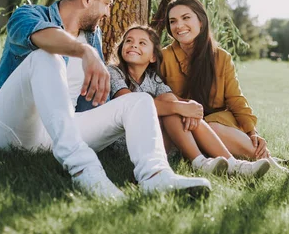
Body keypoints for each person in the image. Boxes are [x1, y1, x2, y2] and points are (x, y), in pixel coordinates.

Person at [0, 0, 211, 199]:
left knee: (139, 101)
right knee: (46, 57)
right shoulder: (28, 14)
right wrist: (86, 53)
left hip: (56, 134)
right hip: (4, 129)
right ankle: (85, 170)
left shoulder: (92, 35)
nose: (108, 12)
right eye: (106, 3)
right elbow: (43, 36)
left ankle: (155, 175)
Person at [107, 25, 271, 178]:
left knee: (170, 101)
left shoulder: (153, 79)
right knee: (172, 107)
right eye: (129, 41)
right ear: (121, 49)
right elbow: (130, 103)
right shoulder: (114, 72)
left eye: (142, 43)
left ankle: (232, 163)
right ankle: (200, 161)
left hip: (157, 142)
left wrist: (190, 107)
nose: (134, 45)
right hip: (129, 143)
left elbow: (174, 100)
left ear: (153, 57)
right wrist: (179, 107)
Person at [162, 0, 289, 171]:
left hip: (217, 123)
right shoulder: (164, 57)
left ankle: (271, 162)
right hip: (183, 126)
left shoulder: (221, 57)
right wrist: (186, 107)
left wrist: (253, 132)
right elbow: (161, 95)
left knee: (213, 126)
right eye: (173, 21)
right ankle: (275, 164)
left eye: (186, 18)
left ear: (201, 21)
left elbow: (236, 100)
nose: (179, 26)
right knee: (202, 125)